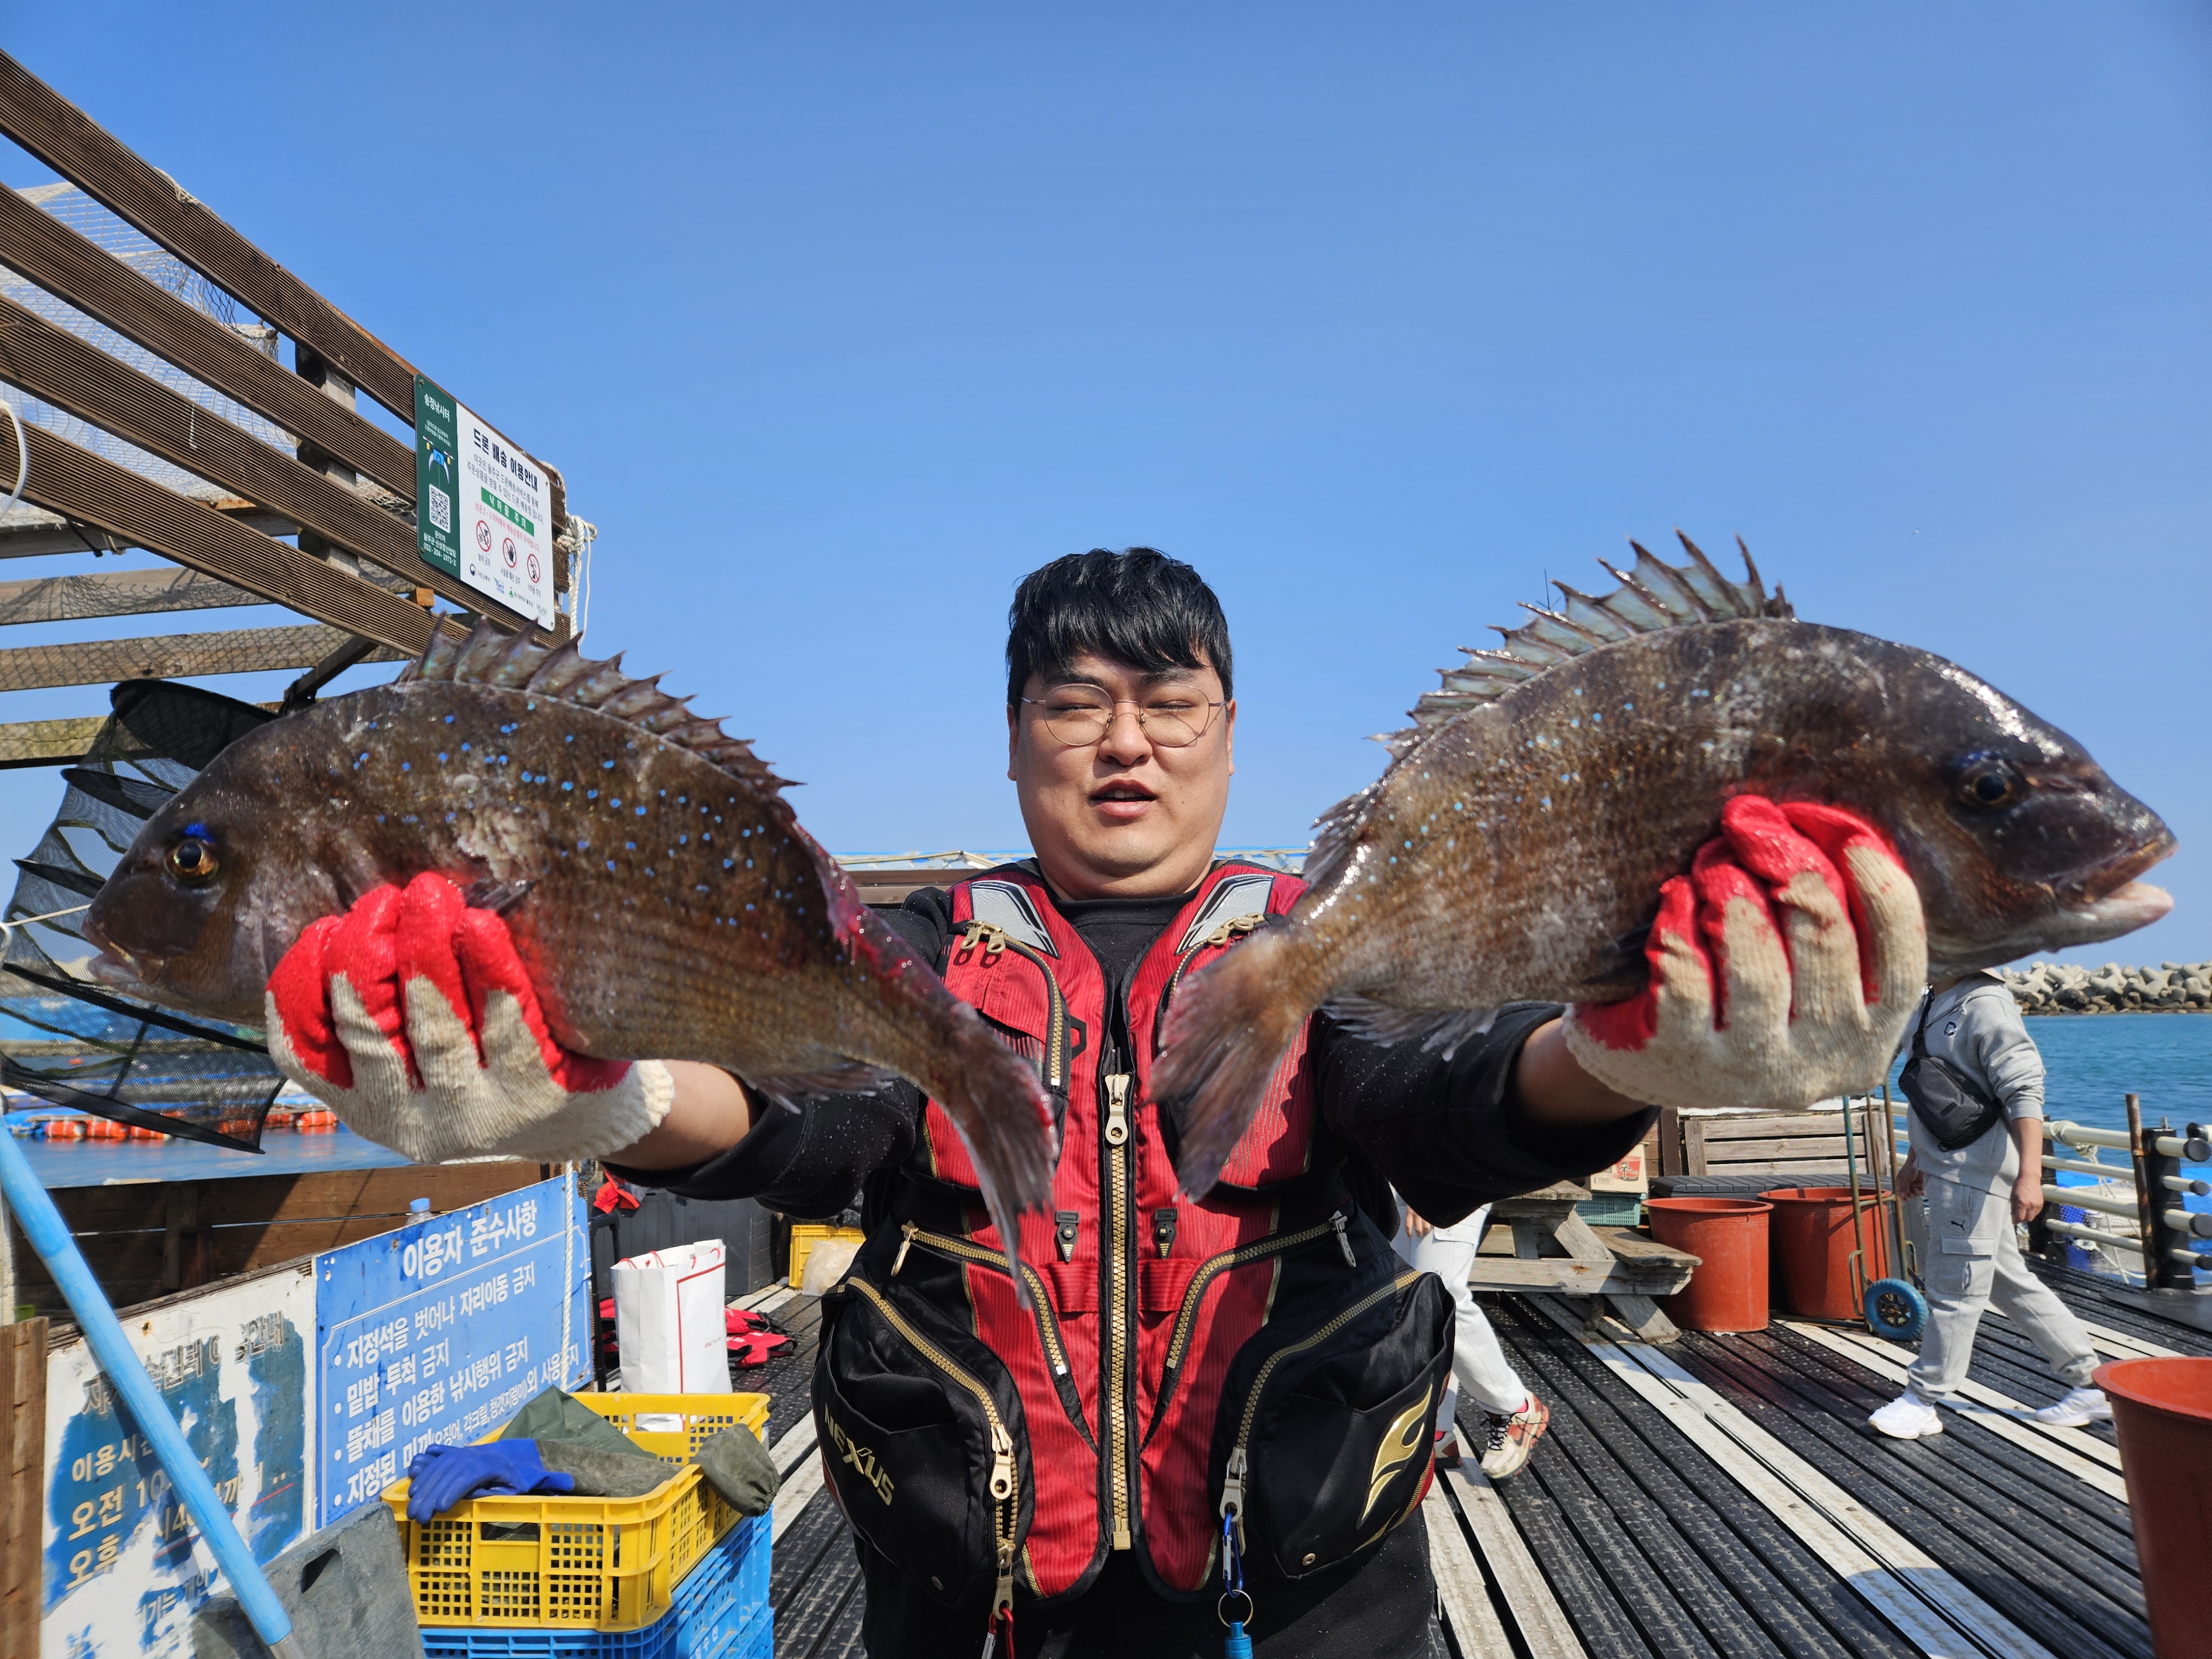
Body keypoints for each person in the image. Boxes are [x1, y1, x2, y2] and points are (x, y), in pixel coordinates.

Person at [263, 548, 1926, 1658]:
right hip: (970, 1609)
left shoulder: (1322, 941)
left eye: (1170, 704)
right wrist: (594, 1102)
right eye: (1074, 703)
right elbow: (802, 1115)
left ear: (1227, 733)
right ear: (1012, 742)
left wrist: (1635, 1058)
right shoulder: (913, 954)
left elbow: (1443, 1096)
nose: (1125, 744)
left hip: (1315, 1608)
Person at [1869, 970, 2107, 1439]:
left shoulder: (1986, 1004)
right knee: (2005, 1279)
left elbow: (2024, 1090)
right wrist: (1916, 1160)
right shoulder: (1932, 1002)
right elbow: (1936, 1092)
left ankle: (1923, 1399)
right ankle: (2090, 1384)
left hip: (1974, 1172)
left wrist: (2031, 1177)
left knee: (1953, 1286)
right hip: (1946, 1165)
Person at [1393, 1199, 1548, 1478]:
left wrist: (1424, 1187)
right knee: (1405, 1298)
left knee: (1440, 1298)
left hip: (1440, 1179)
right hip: (1396, 1182)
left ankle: (1515, 1406)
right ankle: (1436, 1433)